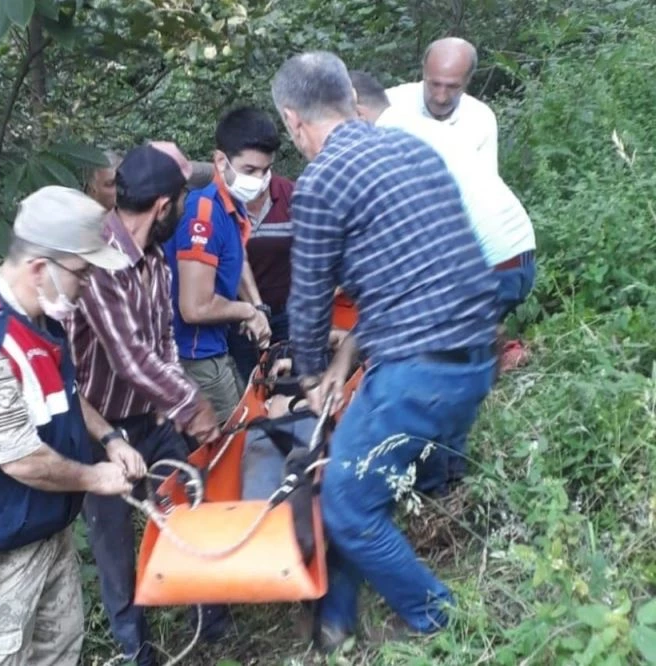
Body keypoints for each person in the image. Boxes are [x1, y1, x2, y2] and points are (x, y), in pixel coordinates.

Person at [271, 51, 499, 650]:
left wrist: (314, 374)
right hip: (473, 358)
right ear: (350, 97)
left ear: (294, 121)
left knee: (347, 507)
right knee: (357, 483)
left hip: (417, 375)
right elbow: (424, 269)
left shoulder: (321, 180)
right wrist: (350, 357)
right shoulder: (415, 151)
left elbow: (310, 298)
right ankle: (336, 626)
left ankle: (444, 626)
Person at [0, 185, 144, 665]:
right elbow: (20, 460)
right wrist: (94, 478)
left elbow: (62, 396)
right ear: (41, 268)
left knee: (61, 653)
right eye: (83, 274)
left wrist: (108, 438)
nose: (87, 287)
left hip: (47, 537)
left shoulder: (42, 318)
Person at [66, 142, 228, 665]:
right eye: (179, 204)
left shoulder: (155, 261)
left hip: (151, 415)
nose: (180, 213)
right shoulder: (100, 260)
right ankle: (137, 649)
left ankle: (208, 619)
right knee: (112, 545)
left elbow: (161, 344)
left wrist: (171, 405)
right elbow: (129, 356)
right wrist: (193, 405)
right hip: (96, 426)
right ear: (164, 206)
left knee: (185, 503)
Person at [352, 70, 536, 380]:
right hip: (519, 259)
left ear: (356, 110)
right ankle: (488, 345)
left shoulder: (386, 143)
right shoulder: (416, 124)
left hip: (492, 270)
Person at [164, 106, 277, 423]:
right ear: (220, 161)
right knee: (237, 437)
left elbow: (236, 259)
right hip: (196, 352)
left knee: (250, 415)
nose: (259, 180)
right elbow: (195, 308)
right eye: (250, 169)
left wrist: (258, 306)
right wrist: (246, 312)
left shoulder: (231, 206)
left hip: (216, 343)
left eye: (265, 171)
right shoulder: (204, 214)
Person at [386, 37, 498, 172]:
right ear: (424, 71)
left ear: (468, 79)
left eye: (452, 87)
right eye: (434, 84)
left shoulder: (480, 119)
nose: (441, 97)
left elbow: (484, 182)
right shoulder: (389, 106)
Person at [226, 170, 295, 383]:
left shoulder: (290, 194)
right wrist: (252, 310)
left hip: (286, 310)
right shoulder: (224, 202)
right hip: (240, 315)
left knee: (286, 379)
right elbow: (232, 260)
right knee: (251, 381)